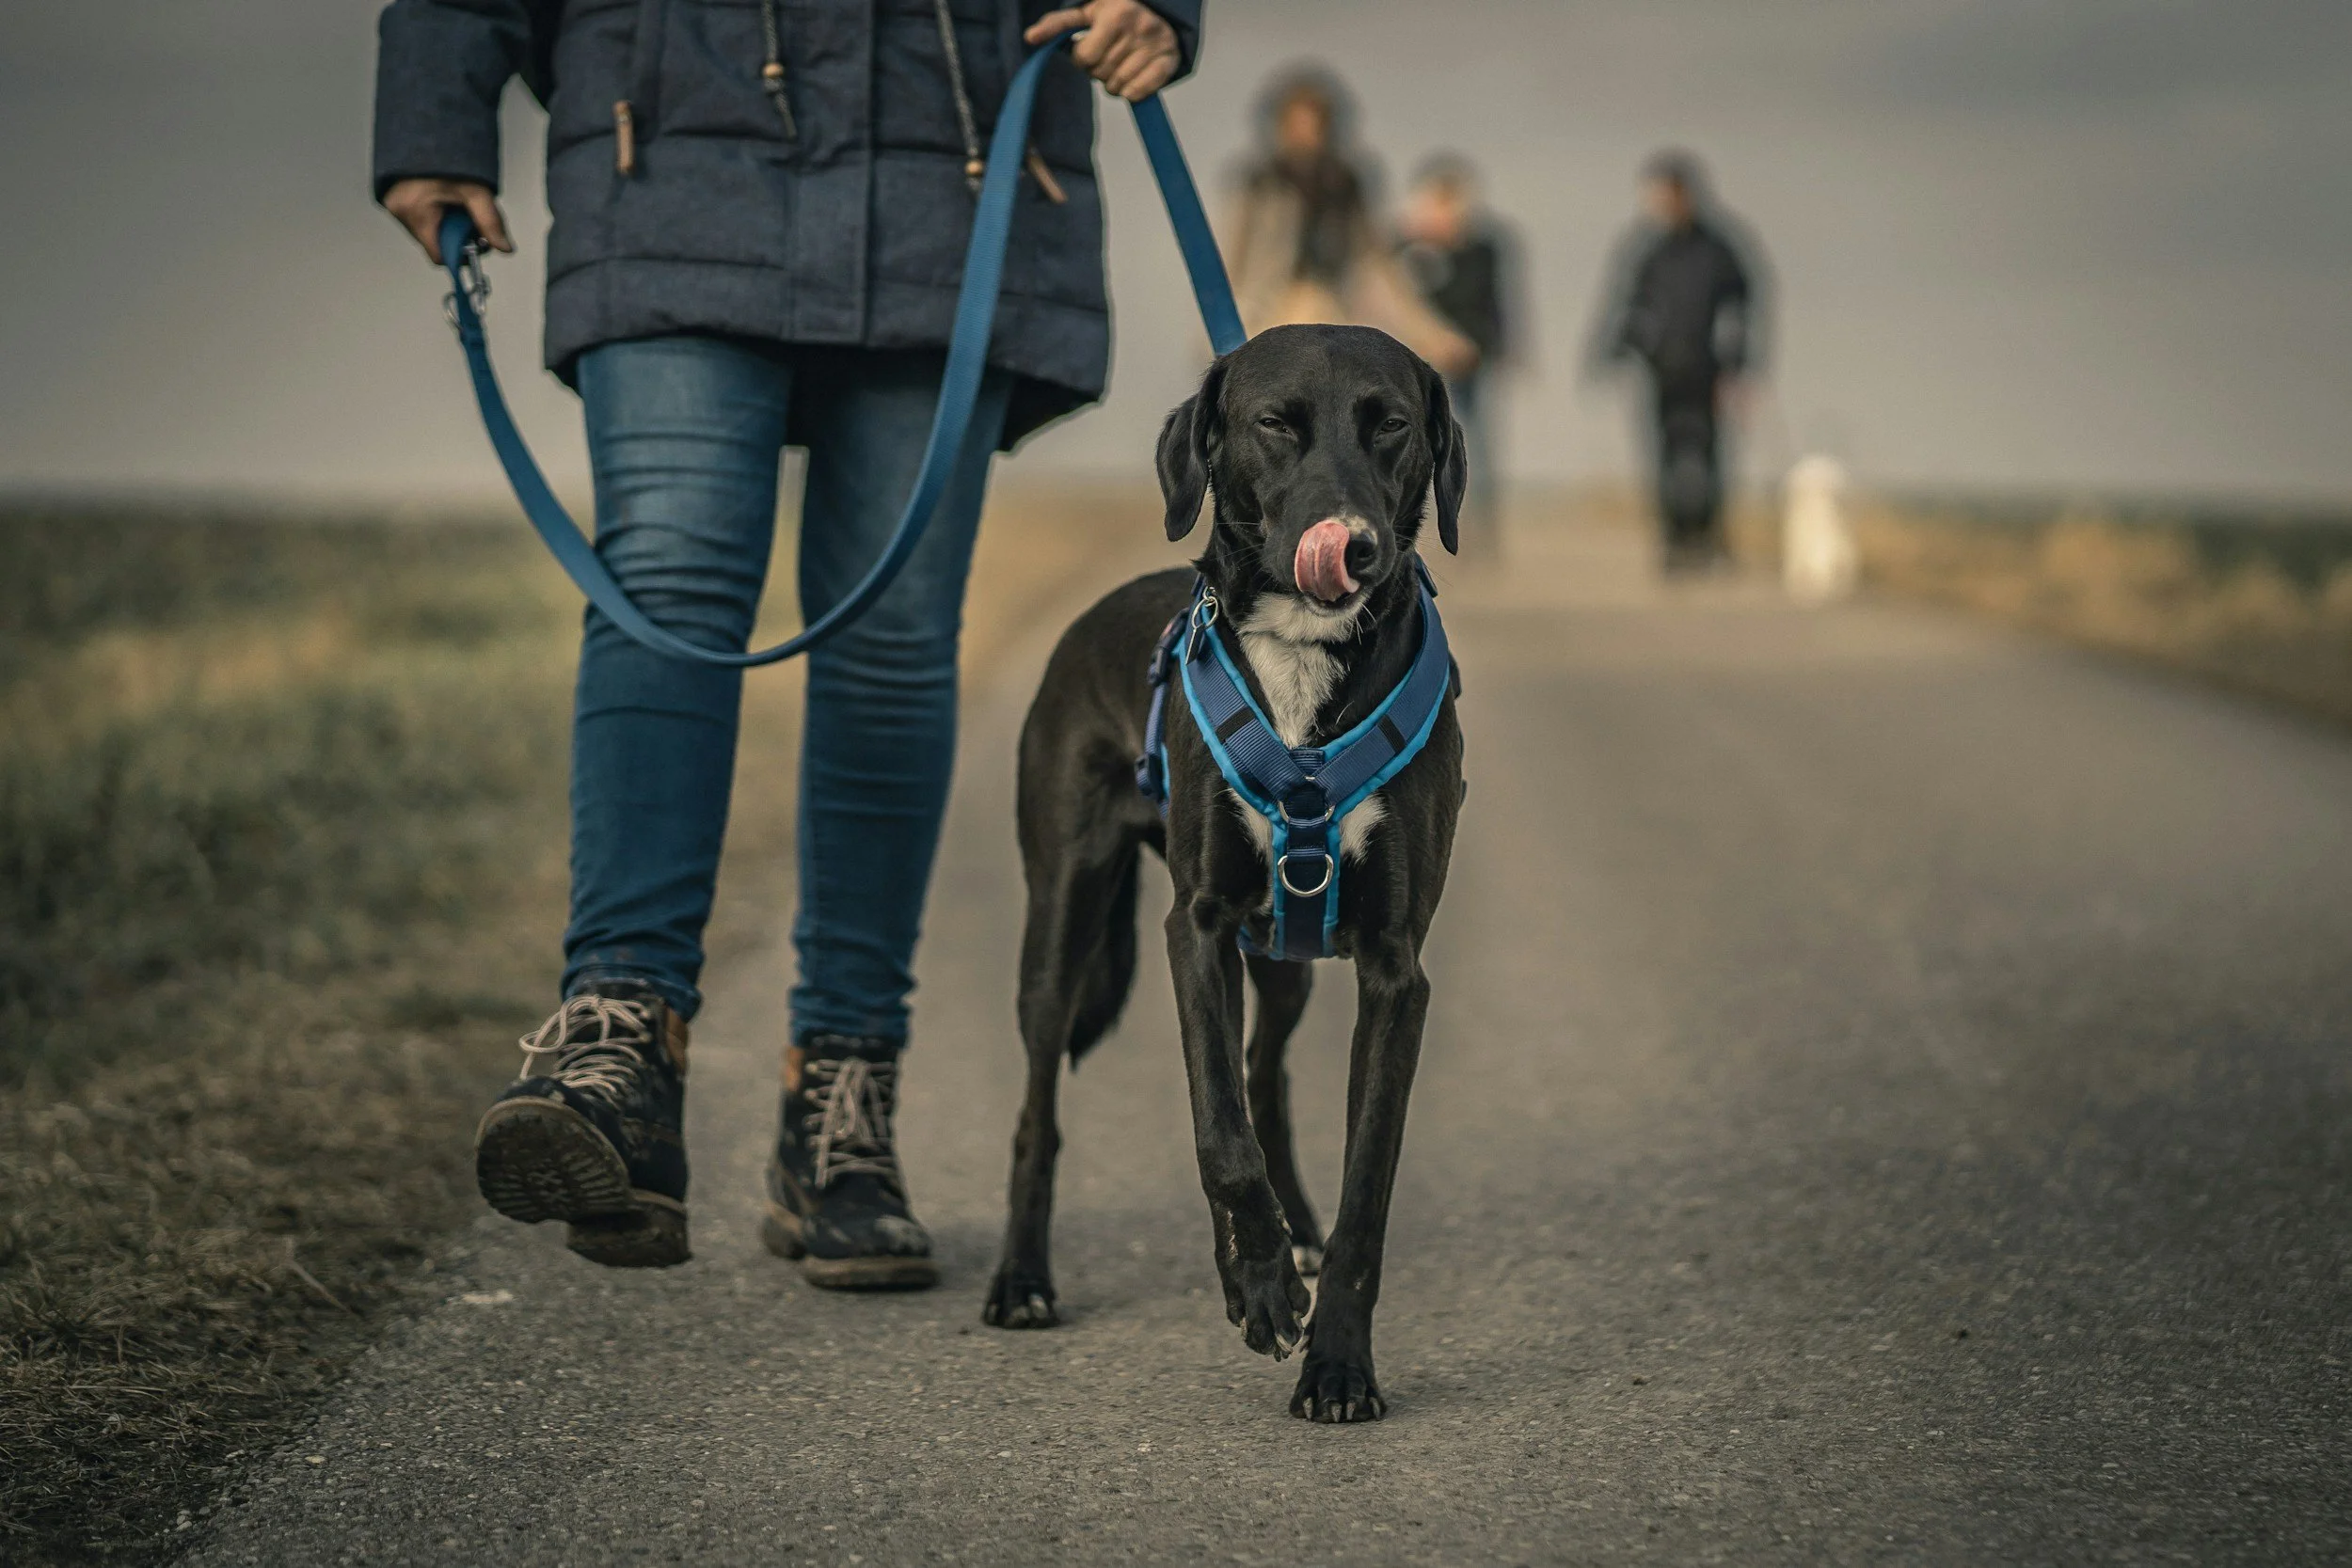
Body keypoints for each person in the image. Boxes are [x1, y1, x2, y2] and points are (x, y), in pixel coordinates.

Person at [372, 0, 1201, 1289]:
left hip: (952, 162)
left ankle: (843, 1101)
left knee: (896, 634)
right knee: (666, 579)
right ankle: (620, 1048)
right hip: (668, 148)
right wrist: (434, 106)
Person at [1219, 68, 1474, 378]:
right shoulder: (1260, 185)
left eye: (1314, 125)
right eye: (1296, 125)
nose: (1306, 136)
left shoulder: (1344, 185)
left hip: (1330, 312)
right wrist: (1218, 336)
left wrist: (1434, 337)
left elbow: (1379, 266)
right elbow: (1231, 259)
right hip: (1266, 317)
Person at [1590, 150, 1767, 574]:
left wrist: (1740, 367)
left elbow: (1743, 305)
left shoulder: (1720, 247)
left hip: (1708, 371)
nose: (1656, 204)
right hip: (1661, 370)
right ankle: (1674, 541)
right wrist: (1615, 348)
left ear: (1683, 194)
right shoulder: (1647, 246)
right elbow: (1628, 302)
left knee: (1708, 457)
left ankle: (1708, 539)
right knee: (1665, 457)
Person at [1396, 153, 1517, 553]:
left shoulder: (1483, 248)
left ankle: (1477, 533)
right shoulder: (1402, 247)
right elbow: (1391, 302)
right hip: (1414, 364)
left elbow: (1497, 304)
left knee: (1474, 445)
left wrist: (1498, 349)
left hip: (1469, 363)